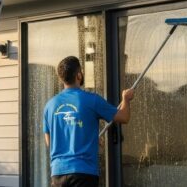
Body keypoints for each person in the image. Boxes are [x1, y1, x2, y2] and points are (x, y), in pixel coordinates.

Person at [44, 56, 135, 187]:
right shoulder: (92, 100)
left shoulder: (49, 106)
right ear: (79, 75)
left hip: (57, 174)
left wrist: (89, 138)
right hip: (84, 173)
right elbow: (124, 117)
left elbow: (50, 142)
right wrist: (126, 99)